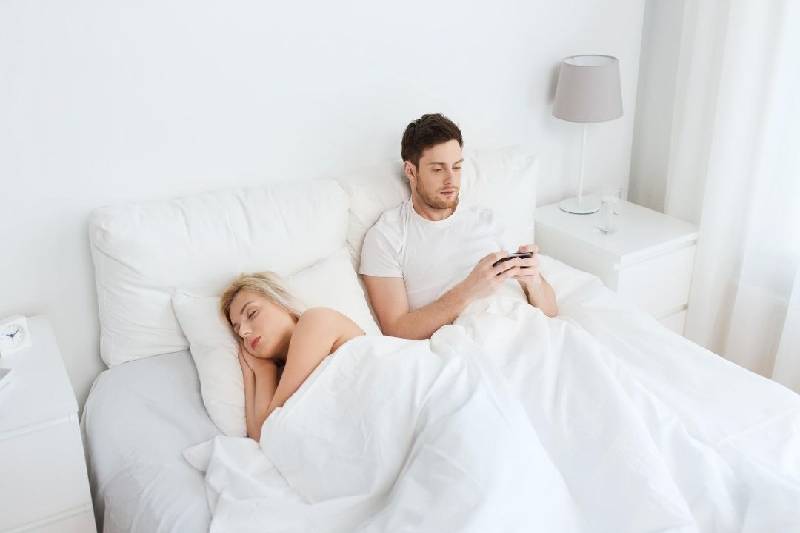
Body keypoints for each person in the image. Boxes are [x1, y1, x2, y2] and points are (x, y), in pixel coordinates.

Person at [360, 113, 558, 340]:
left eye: (456, 167)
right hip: (470, 340)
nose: (451, 180)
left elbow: (551, 311)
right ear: (411, 171)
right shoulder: (387, 236)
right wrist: (470, 289)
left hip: (528, 328)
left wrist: (534, 282)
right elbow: (396, 329)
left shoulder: (486, 219)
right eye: (438, 169)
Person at [219, 272, 364, 440]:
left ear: (281, 302)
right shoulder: (281, 379)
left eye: (252, 314)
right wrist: (259, 371)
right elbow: (261, 438)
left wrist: (262, 371)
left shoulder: (316, 320)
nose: (244, 332)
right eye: (237, 330)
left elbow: (267, 430)